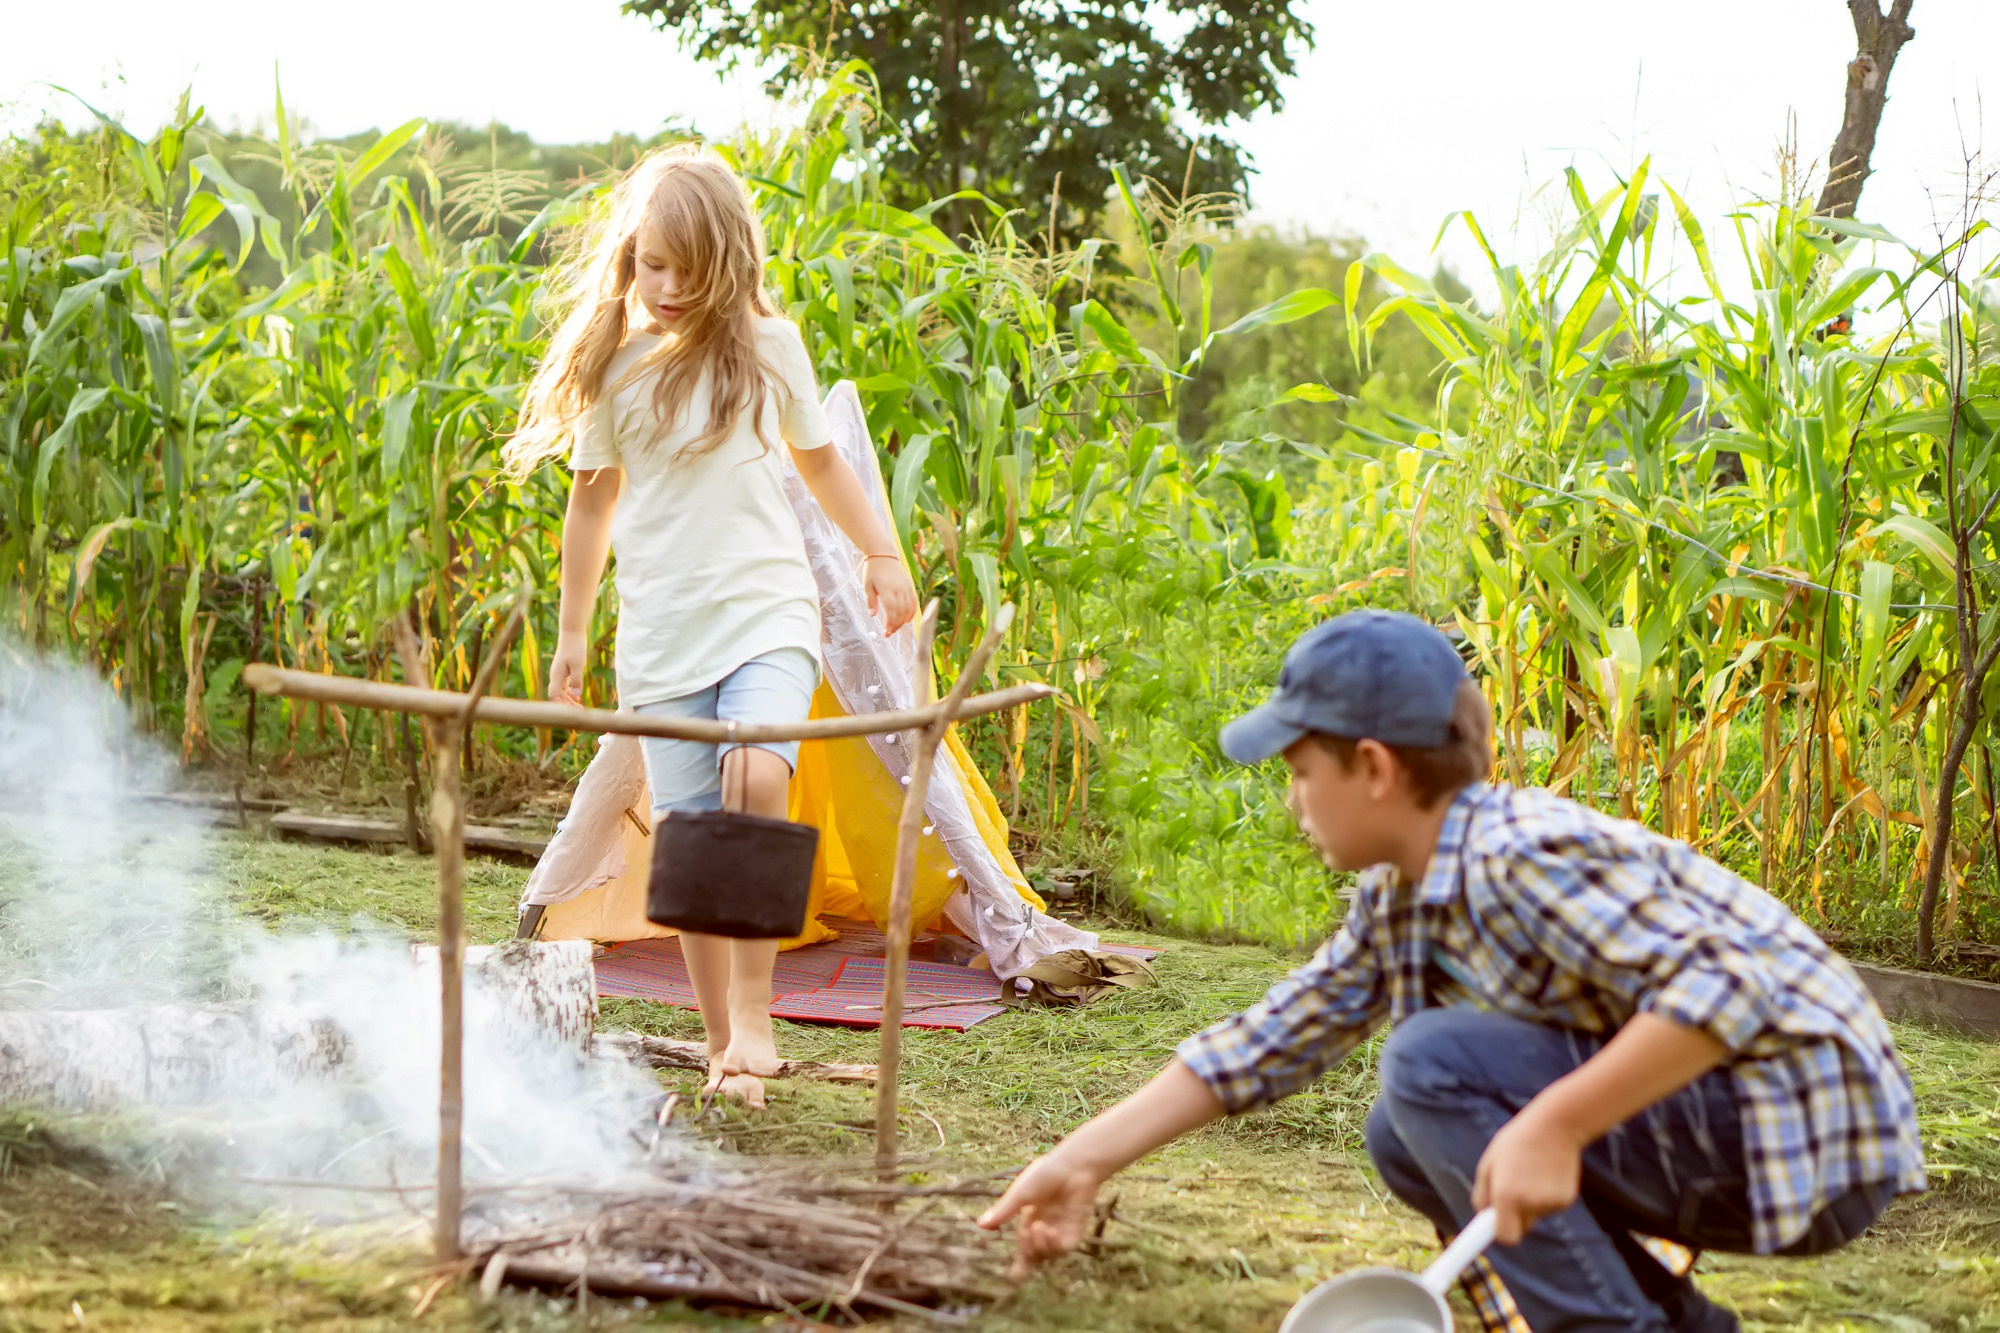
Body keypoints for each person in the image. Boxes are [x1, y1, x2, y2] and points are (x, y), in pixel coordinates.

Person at [977, 610, 1924, 1331]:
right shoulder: (1409, 893)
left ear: (1376, 769)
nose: (1296, 800)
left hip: (1810, 1136)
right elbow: (1274, 1037)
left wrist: (1555, 1124)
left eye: (1303, 771)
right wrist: (1080, 1159)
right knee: (1404, 1129)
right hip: (1740, 1133)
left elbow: (1727, 986)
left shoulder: (1519, 854)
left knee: (1432, 1063)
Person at [504, 144, 917, 1108]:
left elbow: (821, 465)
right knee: (691, 846)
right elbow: (592, 509)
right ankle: (726, 1044)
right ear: (629, 258)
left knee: (756, 767)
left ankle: (760, 1009)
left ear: (730, 264)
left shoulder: (767, 348)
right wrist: (572, 634)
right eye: (653, 265)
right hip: (660, 639)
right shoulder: (615, 364)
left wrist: (882, 553)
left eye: (691, 270)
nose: (670, 286)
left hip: (768, 610)